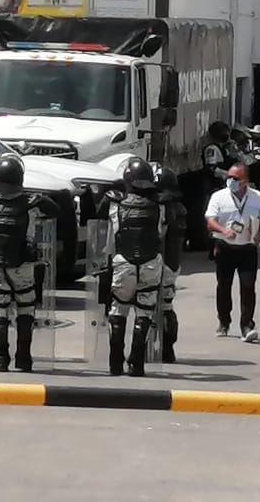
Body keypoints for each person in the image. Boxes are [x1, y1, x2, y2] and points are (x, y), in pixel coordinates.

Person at [0, 154, 57, 373]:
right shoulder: (31, 204)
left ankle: (0, 358)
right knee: (26, 309)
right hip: (24, 265)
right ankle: (24, 358)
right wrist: (41, 199)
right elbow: (56, 211)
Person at [105, 158, 163, 377]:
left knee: (118, 311)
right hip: (150, 263)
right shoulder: (160, 205)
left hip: (123, 262)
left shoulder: (115, 204)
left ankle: (114, 364)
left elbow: (100, 215)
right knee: (144, 314)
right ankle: (136, 364)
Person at [205, 163, 260, 342]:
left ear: (245, 181)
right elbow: (210, 221)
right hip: (225, 246)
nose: (231, 181)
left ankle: (247, 325)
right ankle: (224, 321)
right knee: (223, 285)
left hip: (248, 248)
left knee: (248, 286)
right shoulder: (218, 197)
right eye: (229, 177)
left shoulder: (257, 197)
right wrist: (223, 231)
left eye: (236, 178)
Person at [156, 165, 186, 364]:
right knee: (167, 306)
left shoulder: (162, 208)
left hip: (158, 262)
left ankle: (161, 348)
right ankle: (168, 349)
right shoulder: (180, 208)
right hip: (172, 264)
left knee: (147, 307)